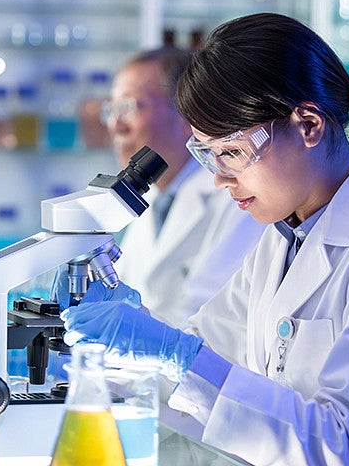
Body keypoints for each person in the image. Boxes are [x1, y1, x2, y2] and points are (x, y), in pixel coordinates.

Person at [61, 13, 349, 465]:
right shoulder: (285, 237)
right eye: (207, 155)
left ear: (309, 125)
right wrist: (130, 342)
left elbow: (344, 446)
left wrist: (173, 352)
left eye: (232, 153)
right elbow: (204, 355)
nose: (219, 179)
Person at [100, 46, 266, 328]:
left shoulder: (236, 196)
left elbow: (212, 321)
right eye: (112, 110)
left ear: (187, 116)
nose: (116, 125)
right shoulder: (153, 195)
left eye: (128, 107)